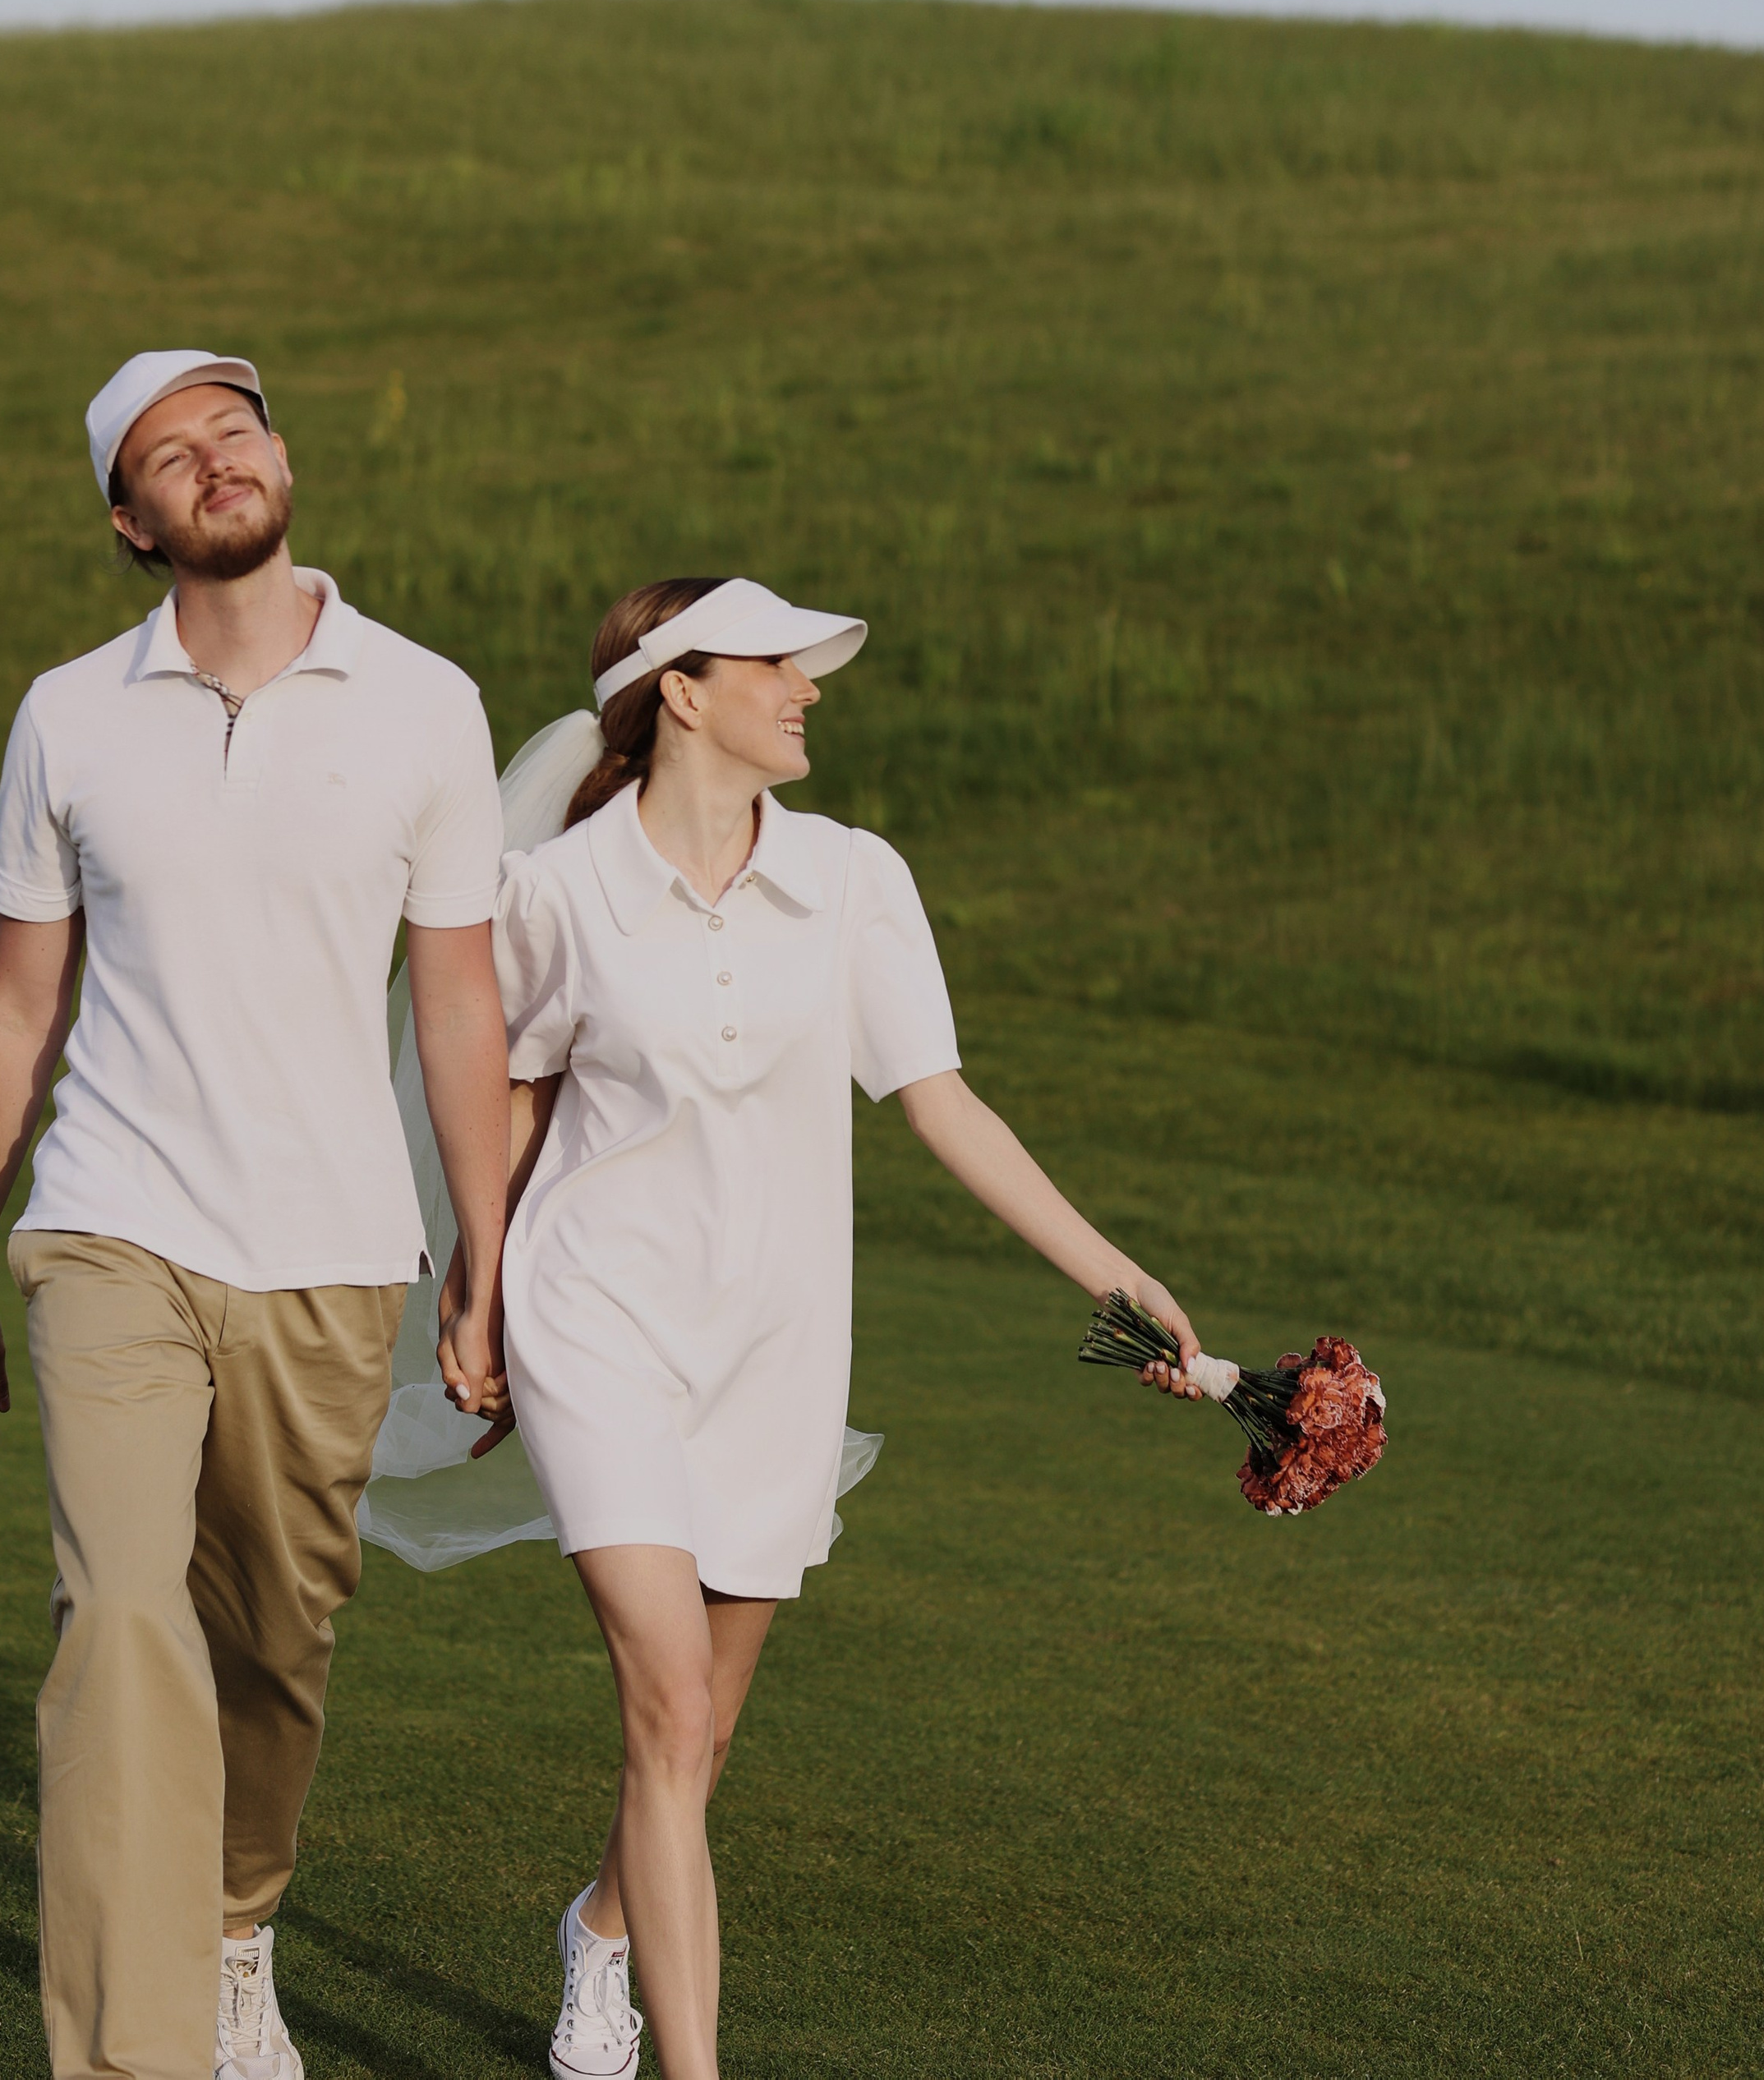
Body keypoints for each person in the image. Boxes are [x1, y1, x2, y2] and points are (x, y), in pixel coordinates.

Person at [465, 576, 1212, 2080]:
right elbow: (514, 1100)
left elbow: (944, 1103)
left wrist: (1113, 1274)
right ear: (682, 691)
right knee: (667, 1703)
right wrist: (477, 1294)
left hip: (781, 1345)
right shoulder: (555, 892)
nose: (807, 687)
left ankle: (602, 1930)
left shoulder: (857, 877)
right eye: (775, 663)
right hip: (596, 1315)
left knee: (702, 1736)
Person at [0, 349, 511, 2080]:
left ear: (278, 457)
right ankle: (136, 2055)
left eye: (232, 429)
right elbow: (19, 1005)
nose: (212, 461)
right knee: (119, 1622)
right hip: (110, 1223)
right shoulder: (68, 714)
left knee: (275, 1637)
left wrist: (484, 1251)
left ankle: (237, 1921)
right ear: (133, 522)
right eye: (168, 454)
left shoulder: (426, 703)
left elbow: (458, 1001)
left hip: (332, 1247)